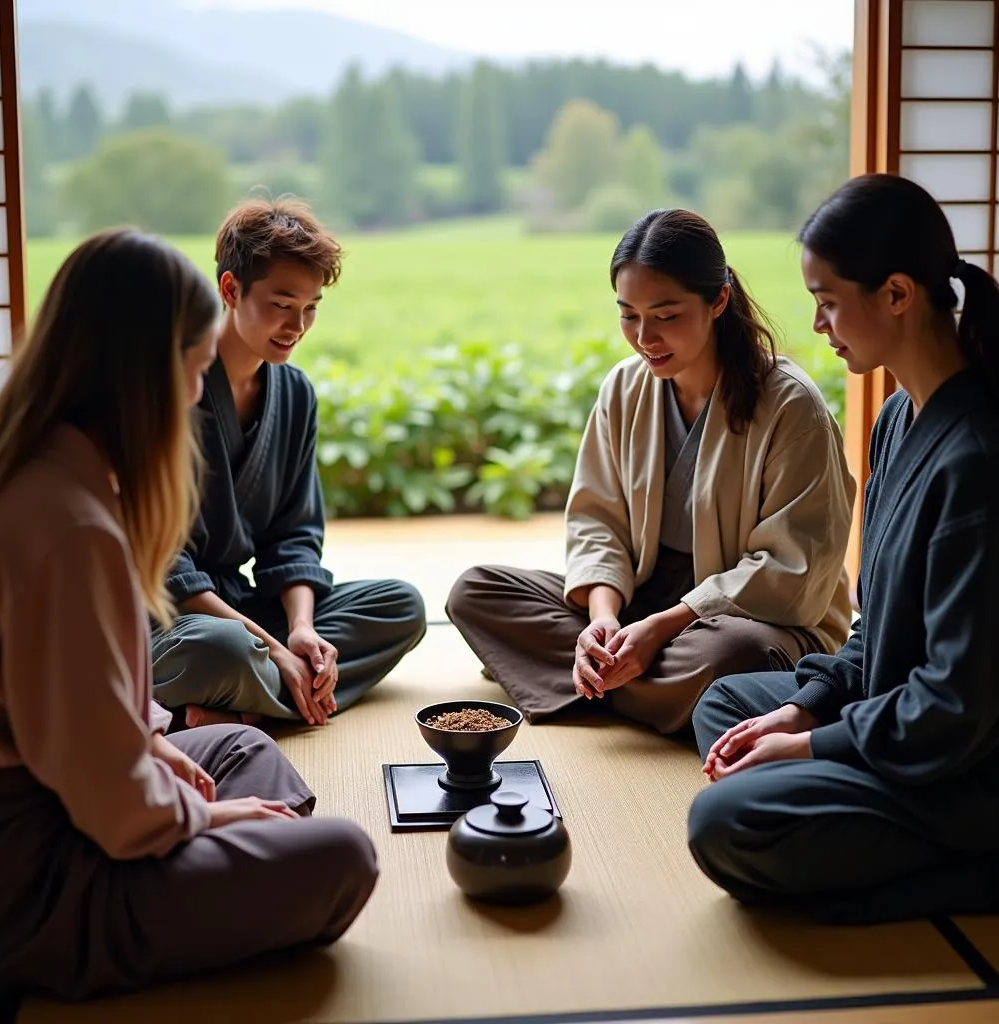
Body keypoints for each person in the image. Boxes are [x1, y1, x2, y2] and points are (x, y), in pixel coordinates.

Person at [0, 229, 378, 1000]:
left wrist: (159, 751)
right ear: (141, 374)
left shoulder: (54, 471)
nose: (199, 394)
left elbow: (79, 725)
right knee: (342, 859)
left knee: (234, 748)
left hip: (70, 795)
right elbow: (109, 806)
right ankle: (214, 868)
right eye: (194, 371)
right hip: (24, 872)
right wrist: (211, 822)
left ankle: (222, 850)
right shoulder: (71, 530)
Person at [689, 173, 999, 924]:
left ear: (897, 294)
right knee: (730, 704)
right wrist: (805, 711)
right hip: (894, 712)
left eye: (828, 300)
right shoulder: (897, 419)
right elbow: (872, 630)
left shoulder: (978, 459)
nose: (820, 324)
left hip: (959, 765)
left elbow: (956, 704)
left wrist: (812, 748)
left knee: (725, 822)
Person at [446, 209, 855, 733]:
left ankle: (593, 685)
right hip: (639, 601)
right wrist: (603, 619)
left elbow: (794, 569)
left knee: (736, 653)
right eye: (628, 315)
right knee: (476, 592)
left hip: (738, 619)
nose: (645, 337)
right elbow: (597, 522)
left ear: (718, 301)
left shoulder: (790, 405)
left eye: (666, 316)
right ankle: (638, 684)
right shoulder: (624, 387)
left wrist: (665, 627)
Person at [151, 197, 426, 730]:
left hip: (244, 609)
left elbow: (295, 535)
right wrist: (272, 648)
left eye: (312, 306)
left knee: (400, 606)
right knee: (223, 650)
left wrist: (299, 630)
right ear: (231, 290)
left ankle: (228, 711)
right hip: (173, 622)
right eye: (282, 304)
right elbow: (165, 565)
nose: (298, 325)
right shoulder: (171, 387)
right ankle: (265, 704)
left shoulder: (295, 394)